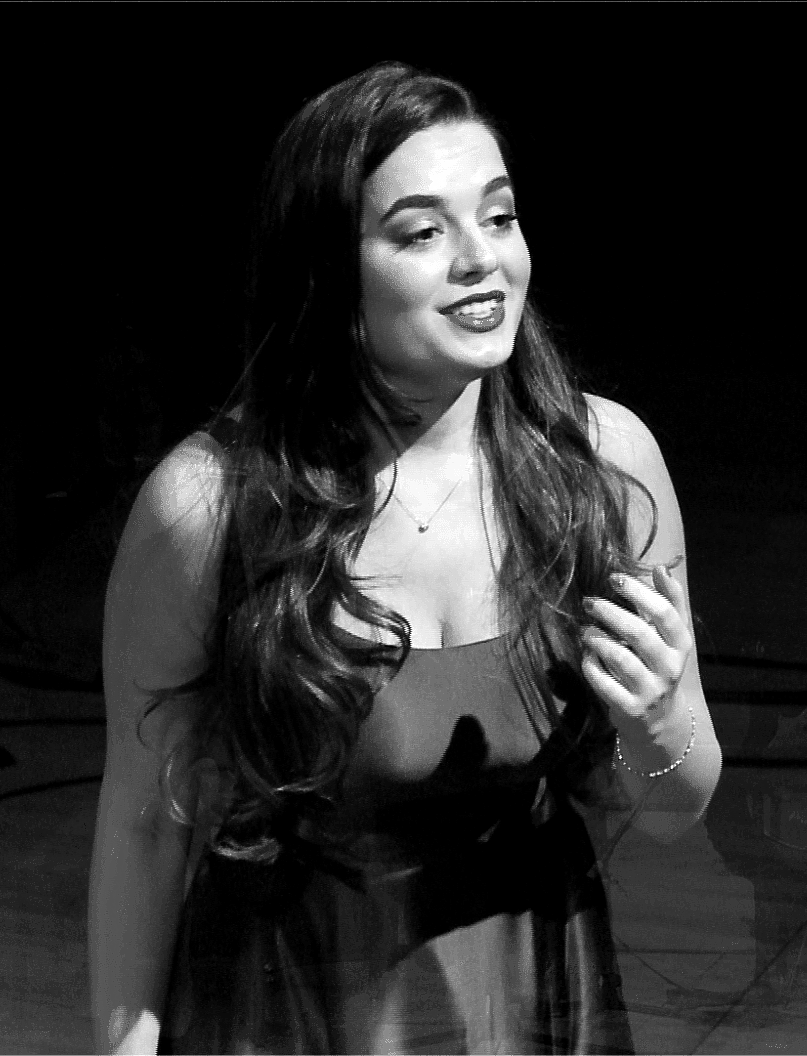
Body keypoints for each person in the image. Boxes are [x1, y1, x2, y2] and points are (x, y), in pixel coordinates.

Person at [88, 61, 723, 1055]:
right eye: (424, 232)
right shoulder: (210, 504)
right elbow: (141, 820)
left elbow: (679, 809)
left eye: (501, 217)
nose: (483, 261)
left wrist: (664, 718)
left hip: (529, 1004)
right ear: (331, 277)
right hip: (289, 1006)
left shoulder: (605, 467)